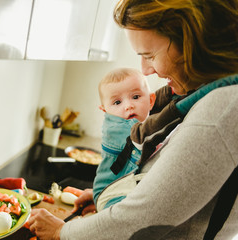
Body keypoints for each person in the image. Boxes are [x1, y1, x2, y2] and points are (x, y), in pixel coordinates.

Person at [28, 0, 238, 239]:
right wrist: (109, 196)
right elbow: (169, 189)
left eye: (149, 55)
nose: (146, 70)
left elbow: (143, 218)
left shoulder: (222, 109)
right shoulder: (213, 96)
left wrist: (61, 231)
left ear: (193, 43)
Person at [94, 67, 156, 211]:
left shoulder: (142, 124)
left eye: (135, 97)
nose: (128, 106)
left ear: (151, 100)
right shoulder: (115, 128)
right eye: (117, 102)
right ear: (105, 110)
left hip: (123, 191)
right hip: (109, 195)